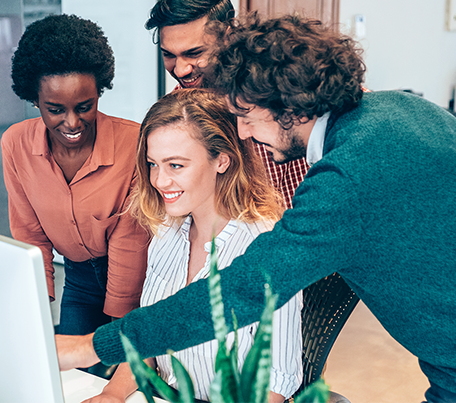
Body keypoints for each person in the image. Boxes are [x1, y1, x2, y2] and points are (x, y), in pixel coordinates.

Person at [56, 14, 456, 403]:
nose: (242, 132)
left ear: (291, 107)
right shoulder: (406, 108)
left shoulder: (345, 181)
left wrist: (91, 348)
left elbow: (237, 292)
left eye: (247, 115)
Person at [83, 88, 302, 403]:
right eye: (153, 164)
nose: (158, 181)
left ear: (222, 161)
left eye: (175, 166)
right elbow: (148, 339)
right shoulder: (167, 231)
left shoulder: (268, 247)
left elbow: (273, 387)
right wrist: (113, 394)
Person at [3, 15, 150, 341]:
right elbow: (29, 233)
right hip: (79, 275)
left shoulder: (134, 142)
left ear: (100, 91)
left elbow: (131, 241)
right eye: (55, 109)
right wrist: (36, 306)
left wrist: (116, 331)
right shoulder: (15, 144)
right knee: (71, 377)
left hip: (135, 275)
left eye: (85, 106)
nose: (72, 122)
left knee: (119, 377)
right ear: (34, 100)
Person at [146, 0, 309, 209]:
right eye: (169, 55)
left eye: (194, 53)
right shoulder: (174, 112)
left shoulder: (272, 94)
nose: (181, 70)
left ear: (228, 37)